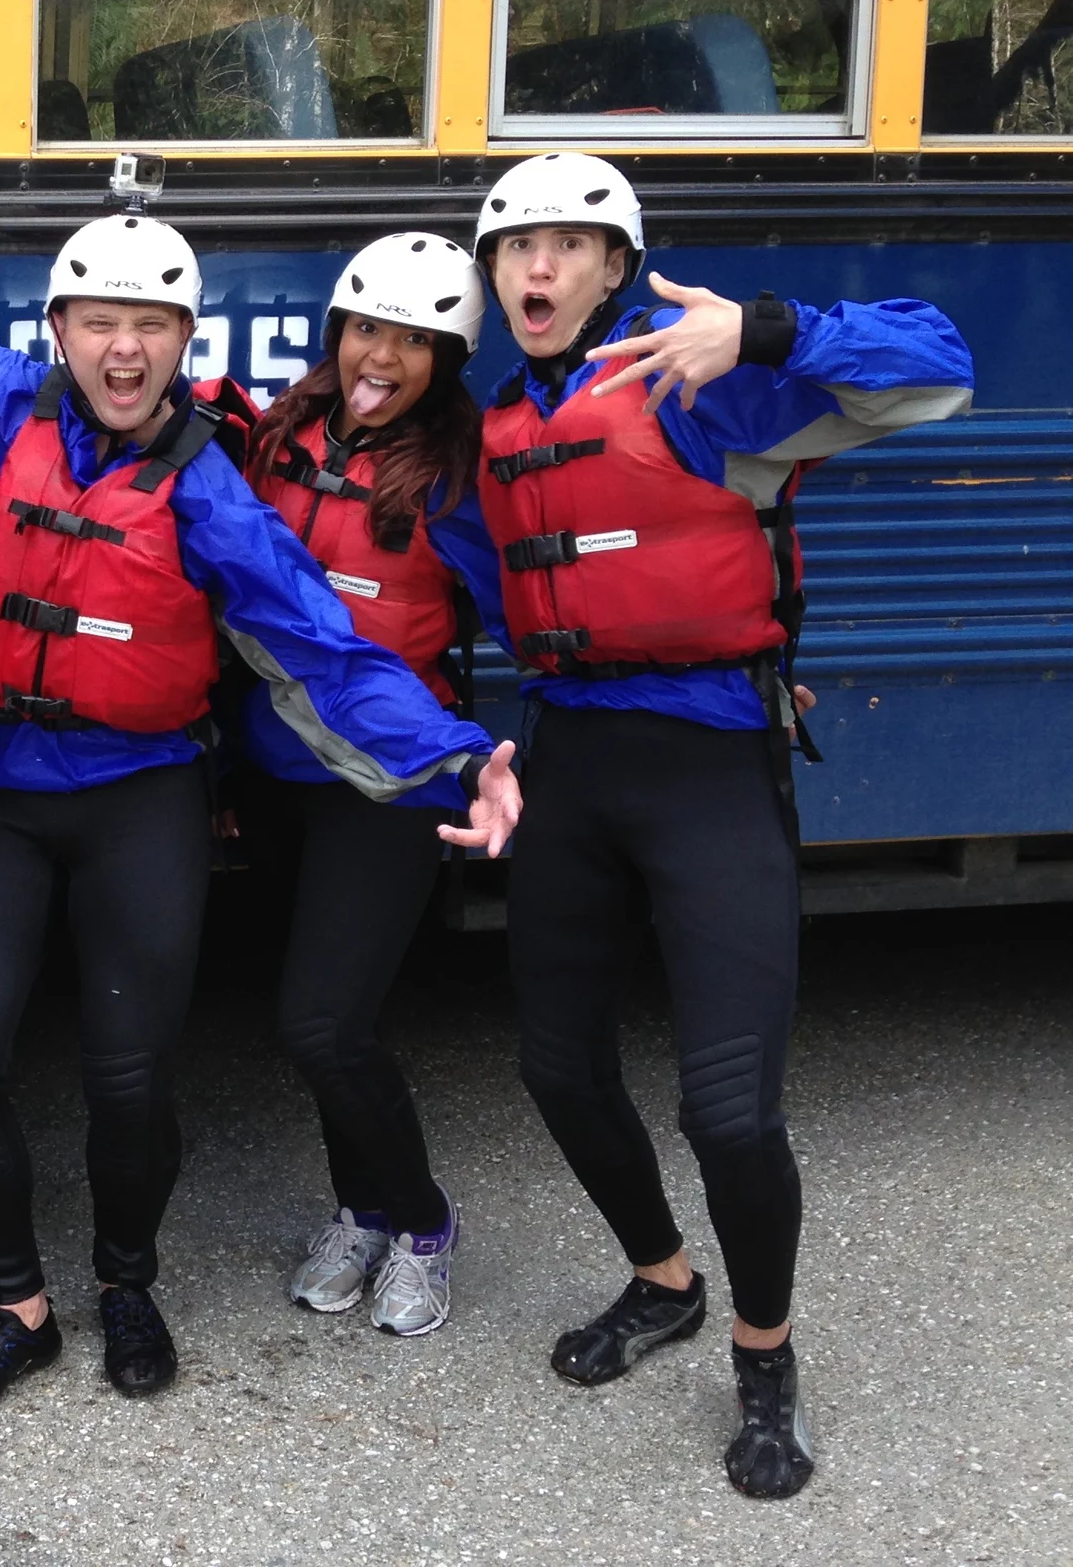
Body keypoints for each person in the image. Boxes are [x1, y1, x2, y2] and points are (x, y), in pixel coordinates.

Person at [0, 223, 521, 1425]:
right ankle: (20, 1309)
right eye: (100, 323)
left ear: (186, 341)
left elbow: (322, 644)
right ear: (56, 331)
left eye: (152, 327)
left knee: (129, 1081)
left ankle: (127, 1282)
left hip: (140, 798)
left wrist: (457, 753)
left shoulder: (210, 483)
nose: (124, 350)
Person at [469, 151, 973, 1498]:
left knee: (729, 1109)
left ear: (619, 269)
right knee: (557, 1068)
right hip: (571, 763)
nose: (539, 267)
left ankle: (764, 1356)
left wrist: (771, 325)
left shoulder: (704, 384)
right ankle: (662, 1278)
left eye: (573, 245)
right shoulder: (503, 423)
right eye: (517, 244)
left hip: (708, 767)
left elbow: (939, 364)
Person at [238, 233, 504, 1338]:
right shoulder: (272, 436)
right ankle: (359, 1210)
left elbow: (551, 600)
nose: (380, 356)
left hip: (389, 784)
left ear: (447, 356)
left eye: (412, 338)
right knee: (314, 1019)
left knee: (322, 1022)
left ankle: (424, 1223)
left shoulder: (464, 478)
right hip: (272, 773)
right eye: (364, 328)